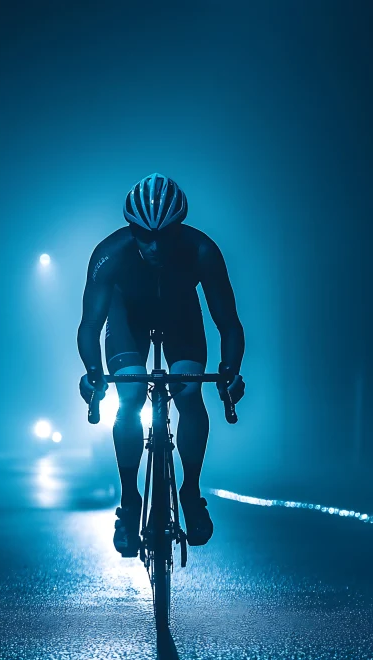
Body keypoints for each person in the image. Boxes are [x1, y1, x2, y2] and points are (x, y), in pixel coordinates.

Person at [78, 173, 245, 556]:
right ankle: (130, 500)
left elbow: (229, 324)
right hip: (127, 320)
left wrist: (230, 372)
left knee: (189, 391)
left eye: (164, 237)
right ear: (130, 229)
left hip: (180, 316)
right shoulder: (110, 254)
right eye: (143, 235)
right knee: (132, 392)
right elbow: (89, 327)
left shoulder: (202, 251)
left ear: (179, 230)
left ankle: (190, 491)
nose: (153, 246)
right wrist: (92, 374)